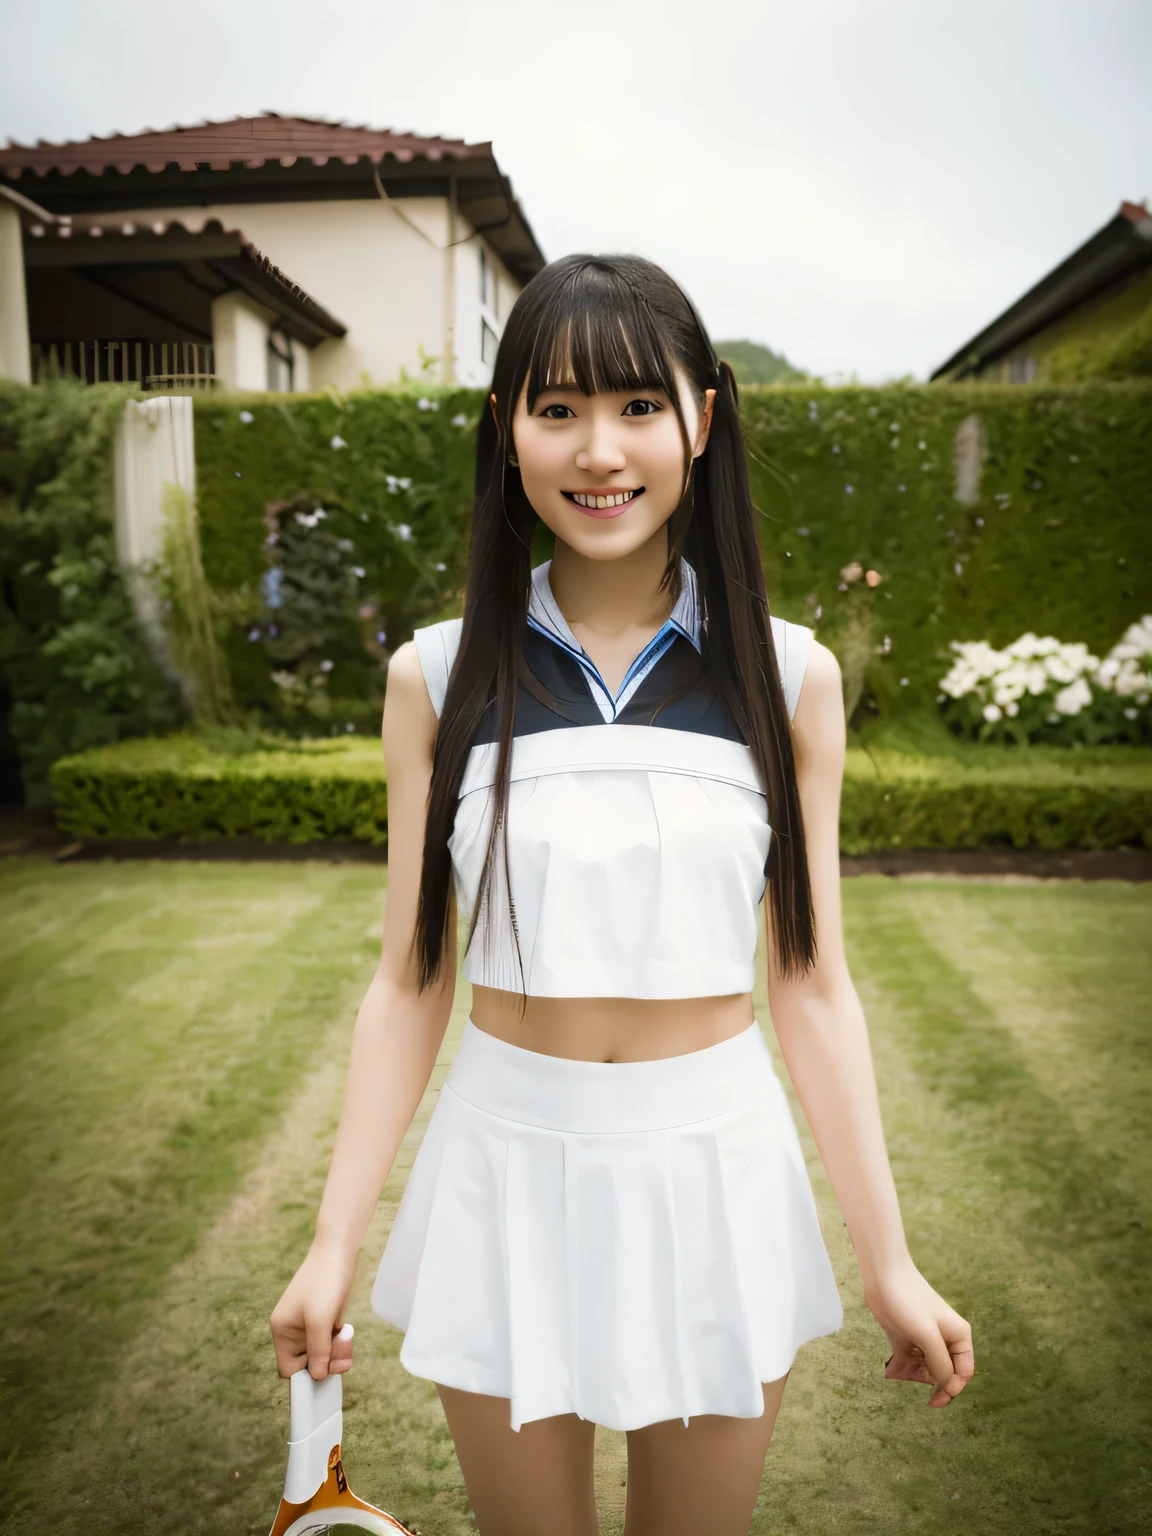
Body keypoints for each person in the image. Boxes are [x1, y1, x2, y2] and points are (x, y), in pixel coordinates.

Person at [271, 253, 975, 1536]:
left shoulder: (787, 672)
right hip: (502, 1165)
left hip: (714, 1167)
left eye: (639, 407)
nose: (600, 451)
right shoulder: (434, 676)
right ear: (507, 429)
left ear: (703, 419)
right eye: (557, 410)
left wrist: (892, 1262)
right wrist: (332, 1242)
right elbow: (411, 976)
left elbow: (810, 980)